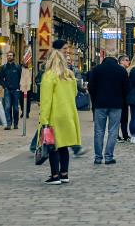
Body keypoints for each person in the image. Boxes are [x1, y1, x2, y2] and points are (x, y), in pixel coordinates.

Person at [38, 48, 82, 185]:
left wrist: (43, 120)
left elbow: (46, 100)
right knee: (64, 146)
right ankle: (64, 174)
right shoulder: (70, 75)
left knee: (54, 146)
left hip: (54, 115)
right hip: (69, 114)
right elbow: (74, 93)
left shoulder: (49, 76)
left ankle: (55, 175)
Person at [88, 52, 129, 165]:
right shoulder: (121, 70)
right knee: (113, 131)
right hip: (116, 104)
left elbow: (91, 87)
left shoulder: (97, 69)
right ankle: (109, 156)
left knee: (99, 131)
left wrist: (95, 100)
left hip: (100, 104)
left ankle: (98, 157)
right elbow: (126, 88)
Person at [0, 51, 22, 130]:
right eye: (8, 56)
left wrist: (19, 87)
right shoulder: (4, 67)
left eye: (11, 55)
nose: (9, 57)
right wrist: (5, 86)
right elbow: (0, 78)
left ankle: (15, 123)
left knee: (15, 108)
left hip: (16, 90)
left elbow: (21, 78)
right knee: (7, 107)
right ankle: (8, 124)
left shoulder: (17, 67)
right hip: (7, 90)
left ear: (13, 57)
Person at [117, 55, 132, 141]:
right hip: (122, 97)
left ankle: (124, 134)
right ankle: (122, 135)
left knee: (122, 118)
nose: (128, 62)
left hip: (121, 97)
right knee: (121, 118)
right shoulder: (122, 71)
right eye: (126, 60)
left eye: (128, 60)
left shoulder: (123, 70)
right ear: (121, 61)